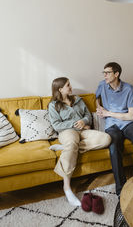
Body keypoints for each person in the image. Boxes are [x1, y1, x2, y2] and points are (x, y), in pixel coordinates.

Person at [48, 77, 111, 207]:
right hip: (67, 132)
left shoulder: (78, 100)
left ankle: (68, 148)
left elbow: (88, 115)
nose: (71, 87)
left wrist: (84, 121)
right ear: (60, 89)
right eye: (68, 85)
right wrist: (76, 124)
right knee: (71, 141)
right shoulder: (53, 105)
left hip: (83, 131)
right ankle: (67, 188)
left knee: (106, 139)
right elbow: (56, 125)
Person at [96, 62, 133, 196]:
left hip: (128, 122)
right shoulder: (102, 85)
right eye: (104, 72)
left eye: (108, 73)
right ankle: (121, 188)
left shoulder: (128, 89)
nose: (105, 75)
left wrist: (108, 113)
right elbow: (96, 97)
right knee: (114, 147)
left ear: (116, 74)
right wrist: (99, 107)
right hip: (112, 125)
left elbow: (132, 115)